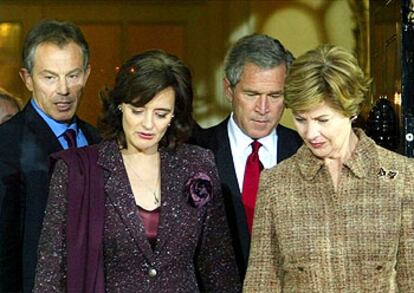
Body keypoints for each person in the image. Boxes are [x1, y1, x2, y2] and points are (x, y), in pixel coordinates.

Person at [34, 50, 241, 292]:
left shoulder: (197, 165)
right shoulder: (78, 171)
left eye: (161, 114)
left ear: (174, 115)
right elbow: (51, 271)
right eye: (138, 110)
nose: (148, 124)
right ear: (120, 106)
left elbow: (218, 266)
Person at [244, 45, 414, 292]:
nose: (311, 133)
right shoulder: (276, 183)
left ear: (351, 111)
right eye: (301, 119)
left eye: (323, 120)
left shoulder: (401, 177)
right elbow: (261, 281)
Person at [0, 20, 100, 292]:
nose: (63, 89)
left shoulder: (100, 141)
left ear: (87, 74)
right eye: (49, 77)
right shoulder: (6, 144)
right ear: (27, 79)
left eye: (72, 75)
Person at [192, 33, 302, 279]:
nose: (263, 109)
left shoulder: (305, 151)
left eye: (275, 96)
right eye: (251, 94)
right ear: (228, 90)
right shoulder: (197, 151)